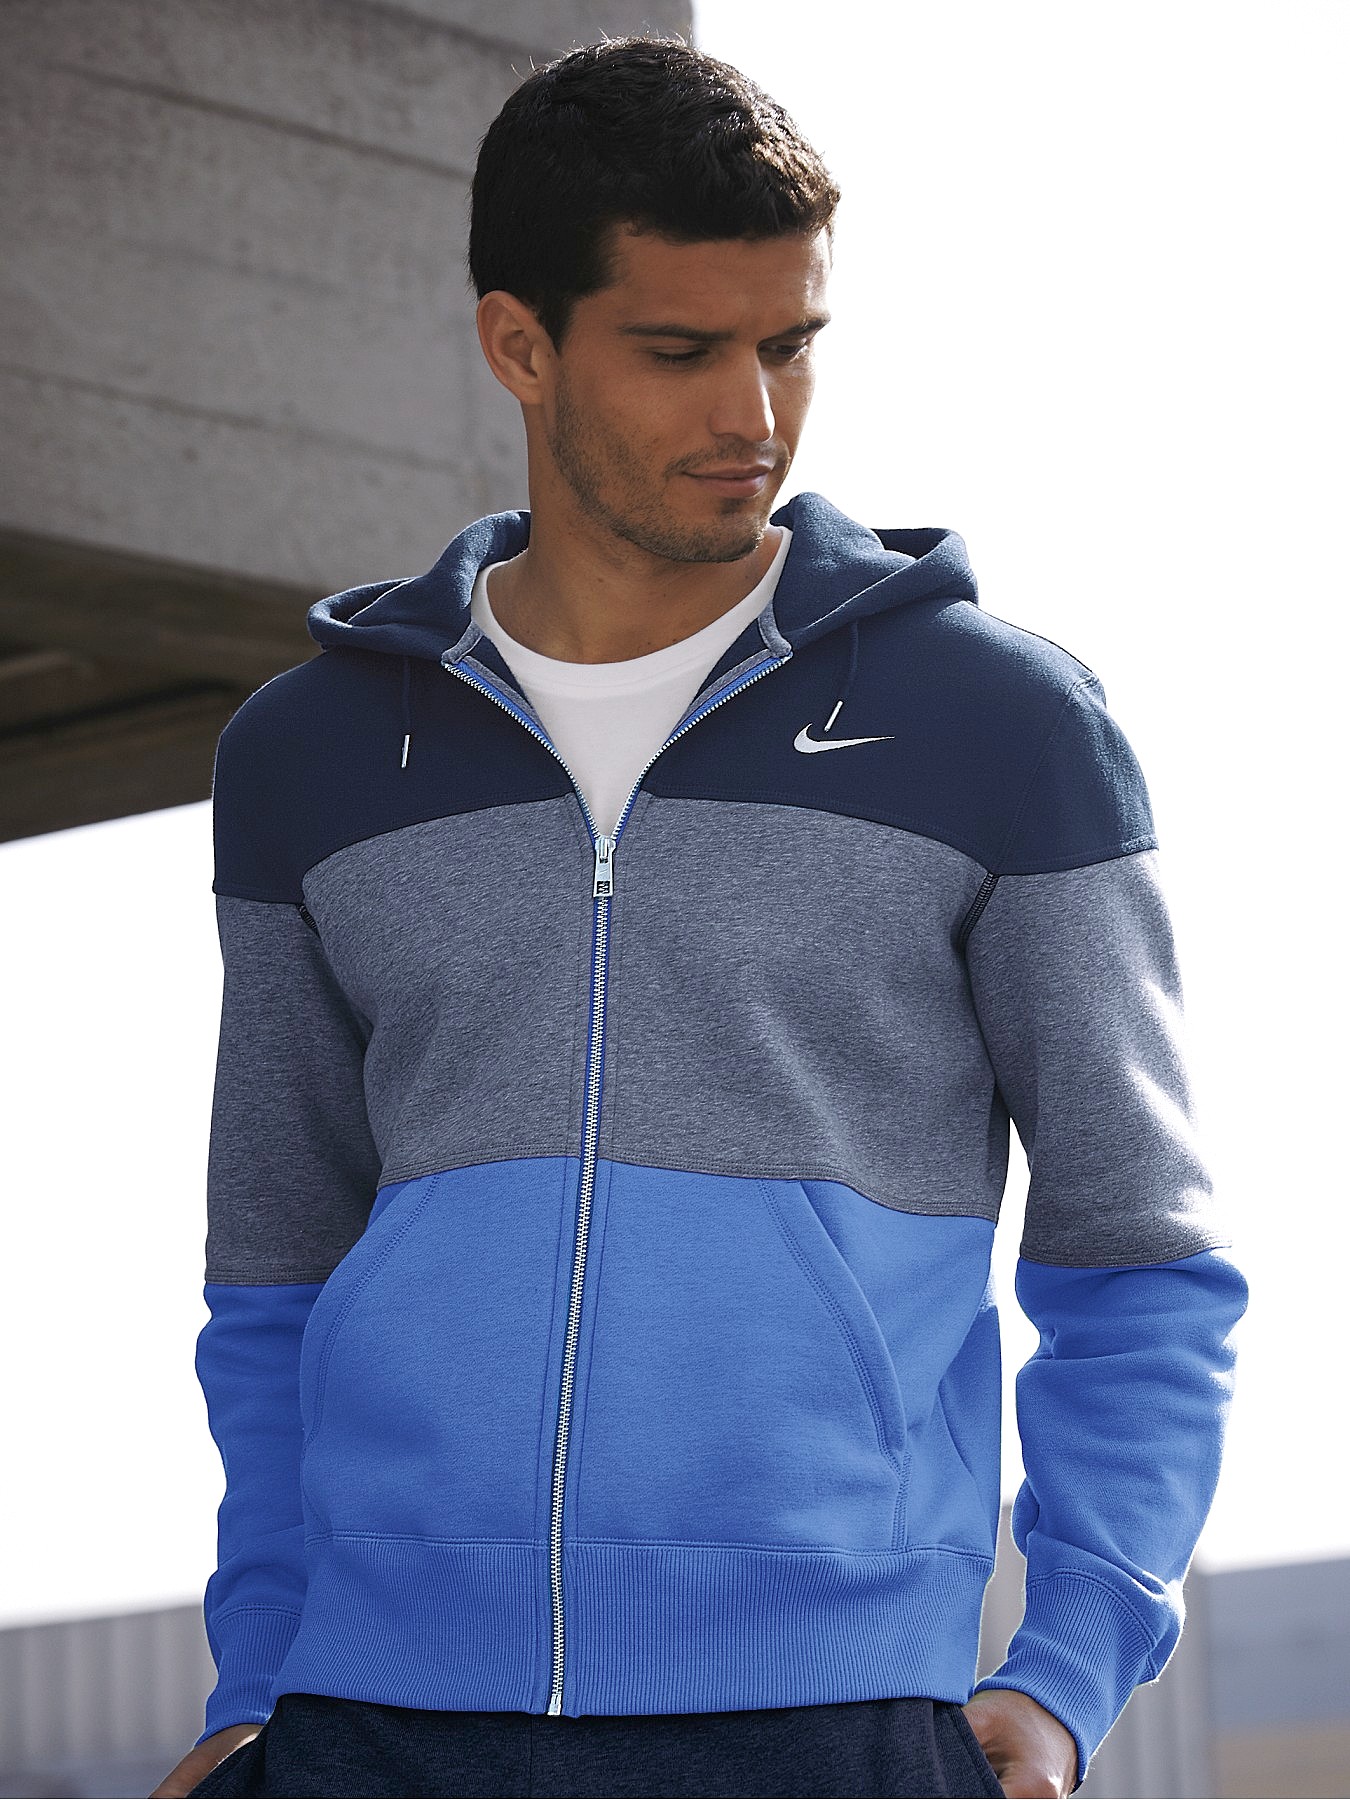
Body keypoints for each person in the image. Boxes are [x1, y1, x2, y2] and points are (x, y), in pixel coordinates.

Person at [154, 34, 1248, 1800]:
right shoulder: (315, 758)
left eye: (787, 344)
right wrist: (256, 1680)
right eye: (679, 352)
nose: (752, 416)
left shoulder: (1001, 727)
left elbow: (1137, 1257)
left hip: (834, 1717)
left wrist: (1065, 1672)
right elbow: (273, 1270)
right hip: (372, 1725)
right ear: (520, 343)